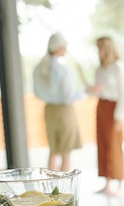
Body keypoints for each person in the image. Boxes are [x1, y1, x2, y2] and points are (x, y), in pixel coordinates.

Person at [32, 32, 84, 172]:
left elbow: (37, 93)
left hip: (49, 111)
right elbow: (69, 97)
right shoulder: (63, 71)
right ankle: (62, 189)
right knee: (66, 153)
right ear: (60, 48)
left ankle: (51, 188)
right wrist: (84, 92)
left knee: (53, 150)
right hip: (64, 112)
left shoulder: (38, 69)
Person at [87, 36, 124, 196]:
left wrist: (120, 116)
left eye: (100, 48)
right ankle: (107, 183)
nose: (98, 51)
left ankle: (119, 183)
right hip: (101, 106)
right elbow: (99, 90)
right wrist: (91, 89)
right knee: (103, 143)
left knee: (114, 145)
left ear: (107, 48)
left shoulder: (119, 67)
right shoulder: (100, 69)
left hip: (114, 108)